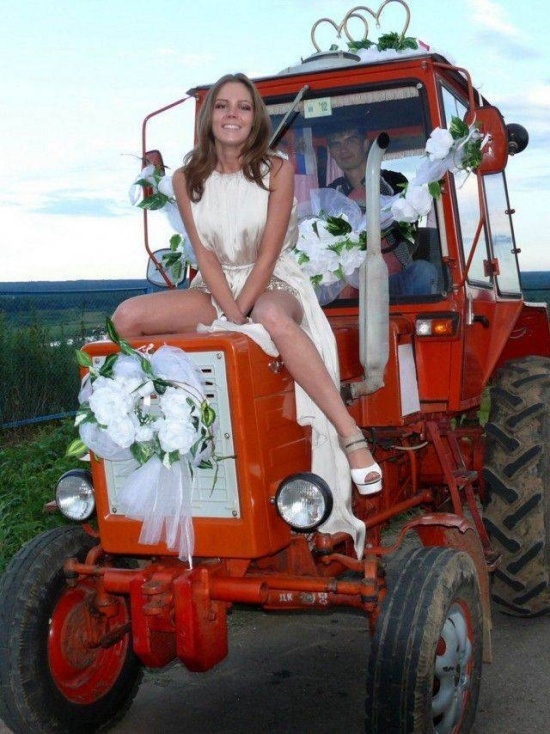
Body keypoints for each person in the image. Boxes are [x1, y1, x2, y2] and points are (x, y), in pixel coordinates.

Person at [112, 73, 381, 555]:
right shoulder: (184, 178)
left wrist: (242, 317)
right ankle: (147, 440)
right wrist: (230, 313)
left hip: (274, 278)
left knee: (274, 319)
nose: (232, 115)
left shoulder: (276, 170)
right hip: (216, 285)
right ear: (209, 117)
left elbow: (268, 253)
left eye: (243, 107)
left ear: (255, 118)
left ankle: (350, 435)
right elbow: (206, 256)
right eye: (222, 107)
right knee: (126, 318)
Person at [327, 125, 438, 297]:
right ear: (331, 153)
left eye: (350, 140)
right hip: (354, 286)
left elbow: (409, 230)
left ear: (365, 144)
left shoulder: (394, 181)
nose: (344, 149)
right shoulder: (332, 193)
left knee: (423, 271)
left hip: (395, 278)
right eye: (336, 144)